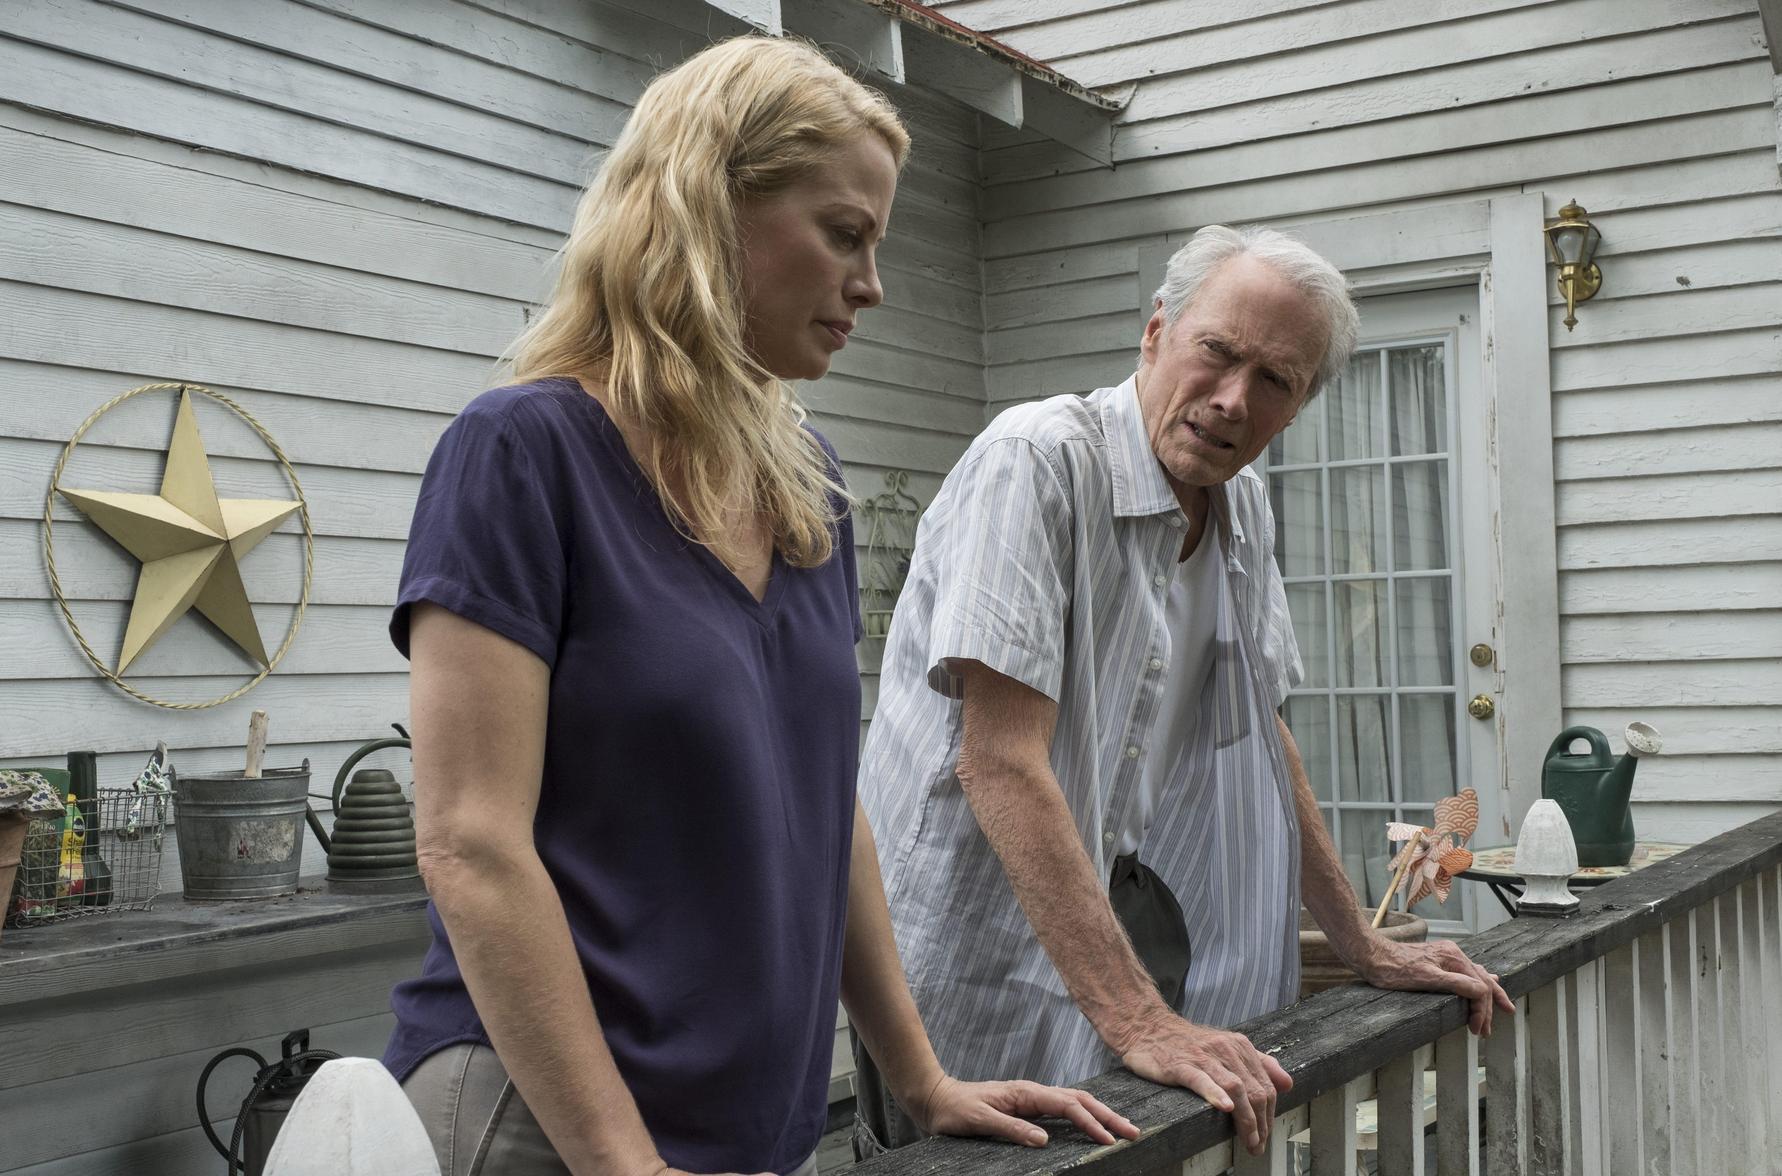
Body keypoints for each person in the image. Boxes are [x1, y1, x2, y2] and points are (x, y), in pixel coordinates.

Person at [383, 34, 1138, 1176]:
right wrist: (624, 1163)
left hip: (755, 1134)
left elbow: (829, 813)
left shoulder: (806, 488)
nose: (871, 284)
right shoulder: (522, 453)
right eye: (844, 234)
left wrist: (921, 1078)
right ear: (706, 206)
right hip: (544, 1127)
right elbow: (469, 844)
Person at [856, 225, 1516, 1158]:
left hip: (1110, 907)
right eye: (1217, 351)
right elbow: (998, 761)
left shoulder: (1243, 506)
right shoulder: (1038, 461)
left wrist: (1362, 945)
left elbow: (1264, 730)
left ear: (1298, 406)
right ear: (1156, 331)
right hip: (965, 935)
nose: (1233, 399)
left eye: (1275, 380)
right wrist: (1142, 1020)